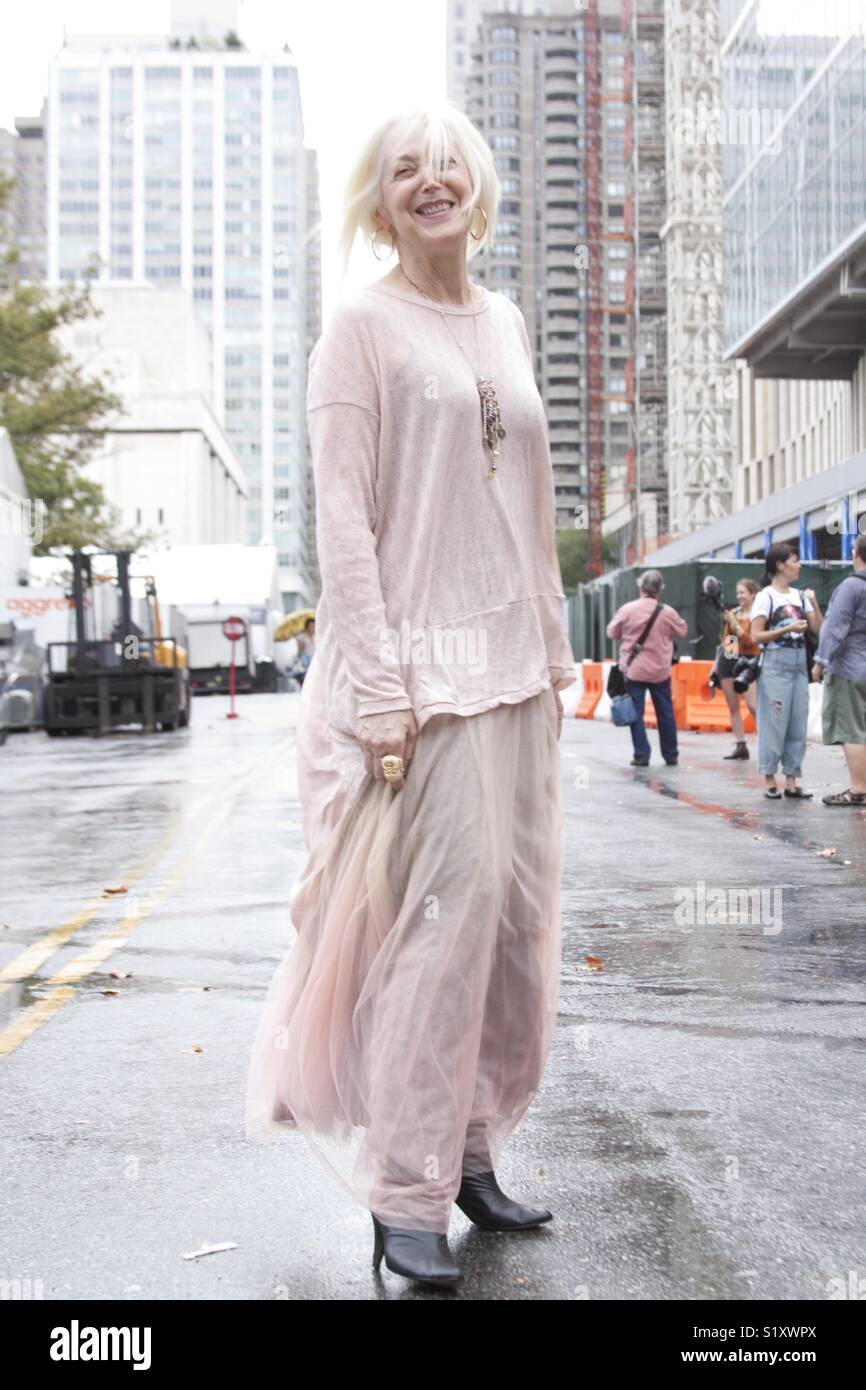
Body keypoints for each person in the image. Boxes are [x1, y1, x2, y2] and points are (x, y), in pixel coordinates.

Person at [244, 104, 577, 1288]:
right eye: (403, 172)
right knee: (435, 933)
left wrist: (552, 647)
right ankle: (404, 1193)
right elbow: (342, 520)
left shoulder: (505, 319)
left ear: (477, 187)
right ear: (378, 199)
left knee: (513, 930)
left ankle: (471, 1151)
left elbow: (525, 501)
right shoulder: (359, 330)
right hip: (414, 682)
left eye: (446, 166)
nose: (428, 183)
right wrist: (377, 689)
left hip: (513, 675)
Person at [750, 543, 823, 799]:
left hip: (798, 666)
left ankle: (792, 779)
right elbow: (755, 635)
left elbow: (817, 630)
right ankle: (770, 778)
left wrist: (813, 603)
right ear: (780, 564)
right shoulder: (765, 597)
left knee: (797, 725)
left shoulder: (801, 595)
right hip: (774, 667)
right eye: (795, 560)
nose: (799, 565)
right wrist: (787, 630)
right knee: (773, 724)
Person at [606, 570, 688, 767]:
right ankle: (671, 754)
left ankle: (642, 754)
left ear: (640, 587)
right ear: (660, 589)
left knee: (636, 712)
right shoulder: (667, 612)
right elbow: (682, 631)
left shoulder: (627, 609)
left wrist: (628, 635)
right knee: (665, 712)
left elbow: (611, 632)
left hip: (634, 670)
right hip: (660, 671)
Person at [811, 532, 866, 806]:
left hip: (849, 667)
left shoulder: (851, 587)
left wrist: (821, 661)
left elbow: (836, 628)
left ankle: (858, 790)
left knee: (852, 728)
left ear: (856, 554)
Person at [715, 578, 760, 760]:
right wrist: (717, 665)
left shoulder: (758, 615)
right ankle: (740, 745)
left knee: (753, 705)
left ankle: (766, 741)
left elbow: (753, 642)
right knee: (733, 706)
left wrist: (736, 625)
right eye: (738, 593)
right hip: (731, 660)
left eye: (743, 592)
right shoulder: (734, 614)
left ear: (753, 594)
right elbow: (729, 643)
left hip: (749, 662)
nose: (739, 596)